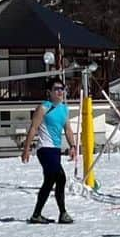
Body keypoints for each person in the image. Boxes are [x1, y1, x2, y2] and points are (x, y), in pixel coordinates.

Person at [21, 77, 78, 223]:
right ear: (49, 92)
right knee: (59, 177)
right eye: (56, 89)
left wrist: (73, 146)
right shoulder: (44, 107)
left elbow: (68, 129)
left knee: (51, 180)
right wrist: (26, 149)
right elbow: (33, 128)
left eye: (62, 89)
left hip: (55, 150)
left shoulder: (64, 109)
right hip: (45, 148)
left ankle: (38, 214)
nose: (60, 92)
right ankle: (62, 213)